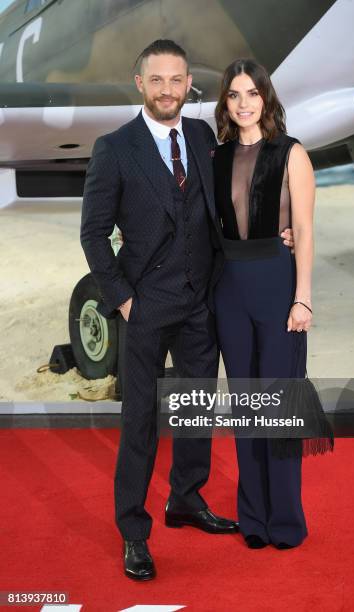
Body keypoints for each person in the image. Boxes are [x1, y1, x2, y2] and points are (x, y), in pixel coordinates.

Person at [80, 40, 295, 580]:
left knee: (196, 409)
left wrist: (277, 231)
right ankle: (134, 530)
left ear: (187, 86)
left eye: (178, 81)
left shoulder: (201, 135)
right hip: (145, 306)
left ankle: (186, 500)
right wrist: (122, 298)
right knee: (140, 422)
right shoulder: (114, 147)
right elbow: (93, 234)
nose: (169, 90)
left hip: (202, 302)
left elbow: (237, 195)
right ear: (140, 84)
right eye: (158, 80)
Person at [213, 58, 316, 550]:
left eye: (252, 93)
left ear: (266, 98)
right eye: (235, 95)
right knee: (248, 411)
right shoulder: (217, 157)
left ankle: (286, 522)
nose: (244, 103)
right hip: (229, 290)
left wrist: (304, 298)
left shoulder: (292, 153)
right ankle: (252, 519)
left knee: (280, 410)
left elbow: (308, 231)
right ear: (226, 104)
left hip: (278, 285)